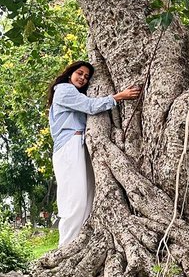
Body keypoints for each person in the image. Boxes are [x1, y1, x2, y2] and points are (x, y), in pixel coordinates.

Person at [47, 61, 141, 246]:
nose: (82, 78)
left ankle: (80, 244)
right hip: (69, 147)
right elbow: (89, 105)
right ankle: (65, 246)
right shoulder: (64, 90)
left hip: (80, 146)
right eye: (79, 73)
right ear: (69, 74)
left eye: (86, 76)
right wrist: (118, 97)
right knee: (75, 201)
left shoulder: (71, 91)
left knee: (88, 198)